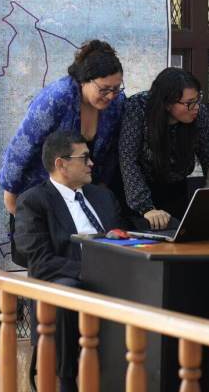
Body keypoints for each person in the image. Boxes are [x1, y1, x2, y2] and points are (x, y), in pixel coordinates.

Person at [14, 131, 124, 392]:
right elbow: (40, 262)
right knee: (67, 293)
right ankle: (67, 381)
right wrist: (91, 271)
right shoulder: (34, 201)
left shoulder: (102, 196)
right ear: (61, 164)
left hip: (118, 272)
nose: (91, 164)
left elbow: (122, 236)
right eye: (84, 158)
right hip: (69, 278)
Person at [0, 40, 124, 262]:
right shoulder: (57, 98)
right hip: (39, 191)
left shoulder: (115, 104)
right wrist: (11, 193)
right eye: (104, 89)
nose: (111, 96)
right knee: (41, 259)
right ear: (85, 81)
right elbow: (21, 147)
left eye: (116, 88)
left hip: (80, 196)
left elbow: (107, 152)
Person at [118, 68, 209, 229]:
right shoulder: (138, 107)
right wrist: (146, 208)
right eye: (189, 103)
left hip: (175, 187)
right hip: (136, 188)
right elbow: (128, 160)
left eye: (198, 99)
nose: (196, 107)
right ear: (167, 103)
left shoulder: (199, 113)